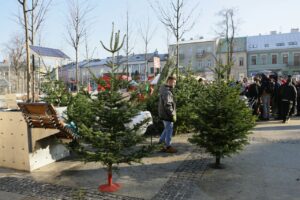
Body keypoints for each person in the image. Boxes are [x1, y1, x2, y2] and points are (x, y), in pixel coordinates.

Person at [158, 76, 177, 153]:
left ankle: (160, 143)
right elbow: (168, 104)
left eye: (175, 82)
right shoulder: (167, 92)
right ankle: (168, 146)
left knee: (166, 128)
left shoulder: (164, 89)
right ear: (169, 81)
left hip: (163, 113)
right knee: (169, 129)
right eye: (173, 82)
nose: (174, 84)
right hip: (167, 114)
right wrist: (172, 114)